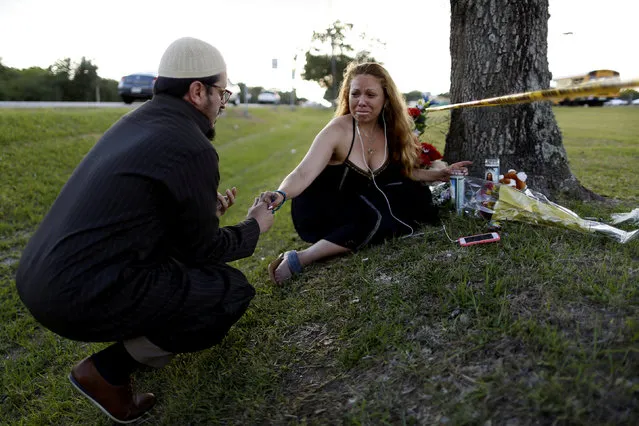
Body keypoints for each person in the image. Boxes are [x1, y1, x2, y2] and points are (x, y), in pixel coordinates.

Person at [15, 37, 274, 424]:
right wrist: (253, 226)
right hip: (77, 292)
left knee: (188, 278)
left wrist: (201, 212)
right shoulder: (192, 146)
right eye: (223, 92)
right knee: (228, 291)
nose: (224, 102)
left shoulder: (137, 121)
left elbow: (143, 217)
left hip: (40, 277)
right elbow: (200, 253)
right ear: (198, 90)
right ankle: (106, 372)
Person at [265, 61, 471, 285]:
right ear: (347, 96)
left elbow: (404, 174)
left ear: (385, 99)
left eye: (370, 94)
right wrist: (282, 194)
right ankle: (301, 258)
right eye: (355, 94)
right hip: (322, 206)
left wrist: (440, 175)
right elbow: (303, 173)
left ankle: (374, 226)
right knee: (374, 214)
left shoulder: (392, 132)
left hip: (362, 200)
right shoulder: (338, 130)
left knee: (416, 198)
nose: (361, 101)